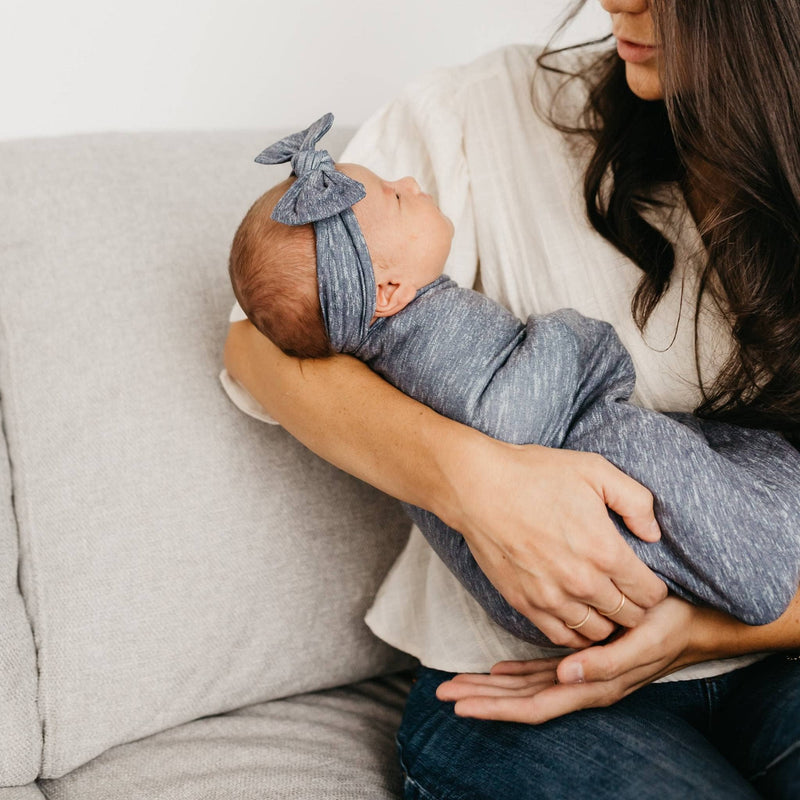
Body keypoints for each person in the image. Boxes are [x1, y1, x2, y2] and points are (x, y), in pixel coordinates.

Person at [223, 0, 800, 796]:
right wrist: (474, 483)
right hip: (520, 678)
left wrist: (701, 630)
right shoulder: (478, 114)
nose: (613, 2)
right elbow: (259, 342)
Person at [227, 113, 800, 650]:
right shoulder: (421, 341)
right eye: (397, 197)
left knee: (696, 450)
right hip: (567, 514)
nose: (408, 180)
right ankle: (760, 571)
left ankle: (758, 531)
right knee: (653, 450)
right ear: (386, 292)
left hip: (550, 570)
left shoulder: (400, 331)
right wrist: (575, 337)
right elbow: (507, 422)